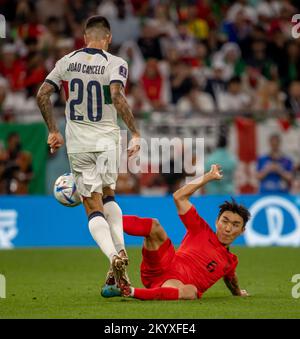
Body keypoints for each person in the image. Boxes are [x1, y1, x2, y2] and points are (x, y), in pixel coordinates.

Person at [36, 16, 141, 290]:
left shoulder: (67, 61)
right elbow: (117, 97)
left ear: (84, 38)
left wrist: (53, 131)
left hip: (79, 142)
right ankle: (121, 256)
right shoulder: (116, 63)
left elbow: (42, 95)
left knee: (92, 206)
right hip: (107, 139)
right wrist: (136, 133)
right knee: (109, 195)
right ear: (107, 38)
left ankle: (113, 256)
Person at [102, 164, 251, 300]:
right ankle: (104, 219)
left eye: (235, 224)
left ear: (242, 230)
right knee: (154, 226)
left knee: (190, 292)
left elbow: (231, 279)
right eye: (225, 221)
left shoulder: (229, 261)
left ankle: (126, 290)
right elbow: (179, 197)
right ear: (217, 222)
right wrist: (208, 177)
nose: (227, 228)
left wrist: (238, 292)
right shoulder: (201, 229)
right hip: (163, 262)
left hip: (174, 284)